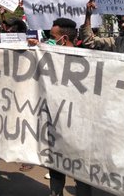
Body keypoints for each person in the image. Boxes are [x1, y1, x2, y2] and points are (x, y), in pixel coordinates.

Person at [27, 18, 92, 196]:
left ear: (63, 39)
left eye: (52, 36)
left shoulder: (87, 60)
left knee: (81, 172)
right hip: (54, 124)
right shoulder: (48, 55)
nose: (49, 39)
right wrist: (36, 47)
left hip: (78, 127)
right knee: (56, 166)